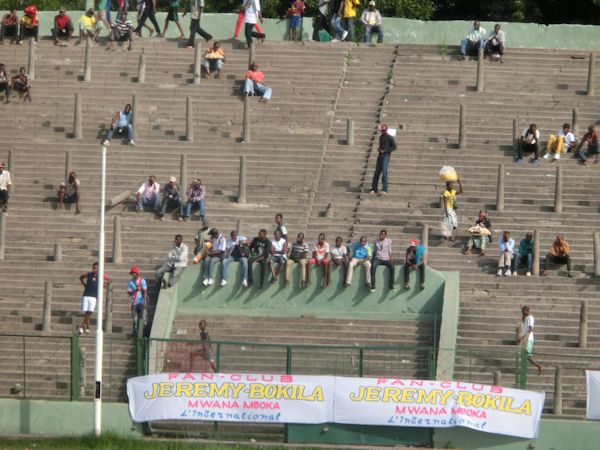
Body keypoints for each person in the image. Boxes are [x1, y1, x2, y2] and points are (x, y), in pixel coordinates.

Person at [78, 263, 111, 335]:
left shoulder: (101, 275)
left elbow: (109, 280)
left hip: (94, 296)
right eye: (93, 268)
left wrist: (104, 284)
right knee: (86, 312)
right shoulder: (89, 274)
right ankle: (87, 327)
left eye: (96, 268)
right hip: (86, 295)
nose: (94, 269)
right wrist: (84, 284)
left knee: (89, 312)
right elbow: (81, 277)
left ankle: (81, 326)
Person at [370, 123, 396, 195]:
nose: (383, 132)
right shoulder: (381, 137)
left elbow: (394, 147)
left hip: (386, 156)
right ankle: (374, 189)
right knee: (376, 173)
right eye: (382, 130)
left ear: (386, 130)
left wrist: (385, 151)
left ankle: (384, 189)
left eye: (384, 130)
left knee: (384, 172)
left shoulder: (390, 137)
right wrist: (379, 149)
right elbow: (381, 146)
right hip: (380, 156)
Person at [517, 306, 543, 375]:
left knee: (526, 355)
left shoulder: (530, 318)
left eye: (524, 311)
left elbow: (530, 329)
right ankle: (536, 366)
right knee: (523, 355)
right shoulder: (526, 319)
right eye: (522, 312)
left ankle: (538, 366)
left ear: (527, 311)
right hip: (526, 339)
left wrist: (521, 338)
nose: (522, 313)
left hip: (529, 339)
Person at [128, 266, 148, 337]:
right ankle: (135, 334)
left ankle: (144, 333)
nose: (132, 274)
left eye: (133, 273)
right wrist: (135, 290)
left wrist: (144, 301)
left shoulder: (142, 281)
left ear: (137, 273)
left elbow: (145, 291)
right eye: (132, 273)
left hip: (141, 302)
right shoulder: (130, 282)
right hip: (134, 303)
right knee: (135, 320)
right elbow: (129, 292)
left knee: (144, 319)